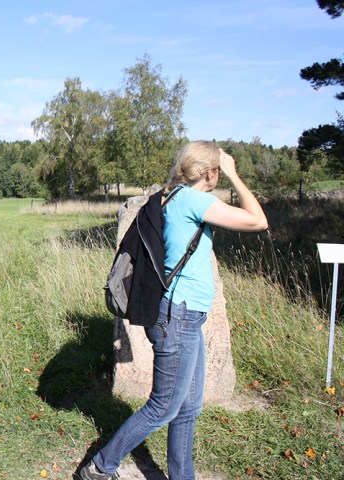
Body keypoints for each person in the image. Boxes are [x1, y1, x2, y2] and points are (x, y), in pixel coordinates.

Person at [77, 141, 268, 480]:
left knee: (188, 407)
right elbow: (257, 221)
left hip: (183, 316)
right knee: (164, 406)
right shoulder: (193, 199)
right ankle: (100, 466)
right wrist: (235, 175)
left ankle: (182, 476)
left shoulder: (171, 194)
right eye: (218, 172)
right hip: (177, 318)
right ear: (210, 172)